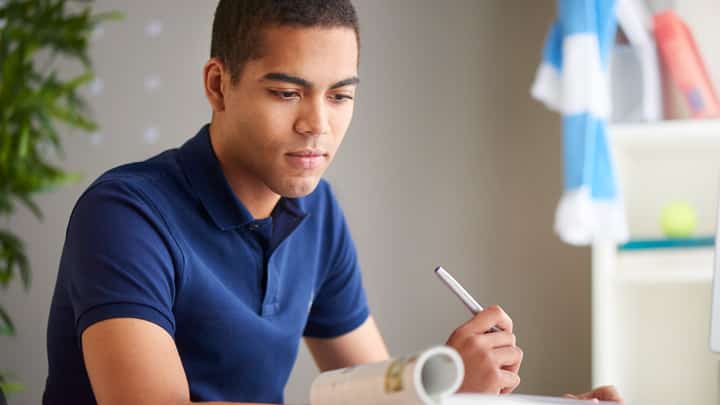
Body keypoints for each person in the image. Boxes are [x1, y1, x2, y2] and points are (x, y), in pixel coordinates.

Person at [42, 1, 622, 404]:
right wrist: (430, 387)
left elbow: (371, 390)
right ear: (218, 85)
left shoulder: (316, 213)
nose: (317, 125)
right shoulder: (126, 214)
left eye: (340, 95)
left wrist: (470, 394)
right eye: (287, 92)